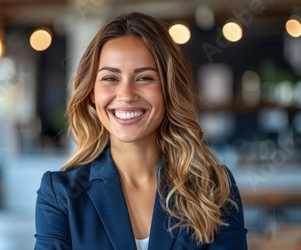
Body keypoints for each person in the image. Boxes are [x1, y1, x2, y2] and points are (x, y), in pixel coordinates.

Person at [35, 12, 247, 250]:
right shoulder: (61, 195)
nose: (126, 95)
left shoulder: (213, 188)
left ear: (169, 89)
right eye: (110, 78)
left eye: (145, 78)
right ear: (92, 92)